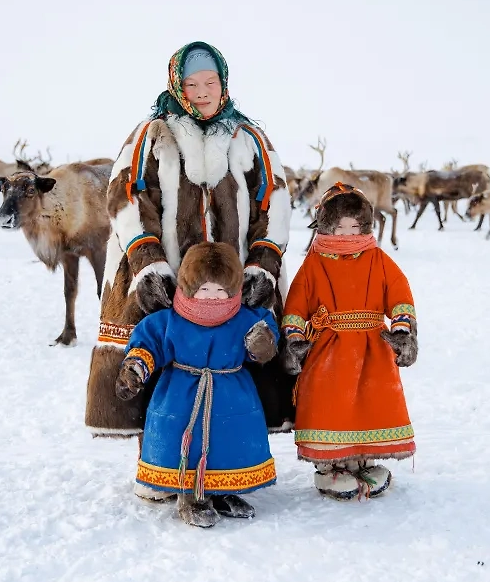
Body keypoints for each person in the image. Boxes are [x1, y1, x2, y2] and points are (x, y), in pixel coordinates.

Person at [84, 41, 295, 515]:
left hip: (228, 281)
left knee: (232, 373)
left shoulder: (249, 138)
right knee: (158, 363)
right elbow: (126, 197)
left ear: (223, 83)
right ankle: (157, 464)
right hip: (160, 272)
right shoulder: (152, 135)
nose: (202, 92)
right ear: (177, 84)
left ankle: (224, 470)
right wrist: (148, 264)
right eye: (193, 84)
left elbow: (274, 202)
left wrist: (263, 263)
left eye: (210, 83)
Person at [115, 242, 279, 527]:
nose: (213, 298)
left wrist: (262, 343)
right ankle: (189, 497)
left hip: (231, 392)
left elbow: (264, 331)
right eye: (204, 290)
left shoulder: (243, 317)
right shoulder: (171, 319)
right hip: (183, 394)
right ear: (189, 287)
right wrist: (135, 368)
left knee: (228, 444)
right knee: (187, 446)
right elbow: (149, 342)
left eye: (221, 291)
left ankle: (222, 491)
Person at [282, 183, 419, 500]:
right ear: (326, 225)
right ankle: (330, 467)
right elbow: (297, 305)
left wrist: (401, 330)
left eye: (354, 226)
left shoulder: (378, 258)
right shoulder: (315, 262)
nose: (347, 233)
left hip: (373, 347)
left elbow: (399, 295)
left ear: (365, 226)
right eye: (339, 226)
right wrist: (295, 339)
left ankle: (363, 460)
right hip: (329, 348)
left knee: (369, 403)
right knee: (332, 404)